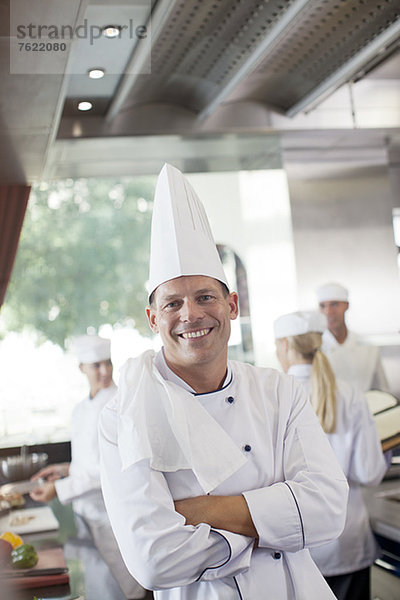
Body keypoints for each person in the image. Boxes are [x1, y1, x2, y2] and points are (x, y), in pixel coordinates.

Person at [98, 163, 349, 600]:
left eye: (205, 297)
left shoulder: (279, 391)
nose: (191, 315)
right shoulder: (124, 415)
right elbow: (154, 561)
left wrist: (203, 511)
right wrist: (277, 523)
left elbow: (328, 510)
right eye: (173, 302)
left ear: (232, 305)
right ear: (153, 318)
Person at [273, 310, 388, 600]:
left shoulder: (271, 397)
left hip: (293, 545)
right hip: (346, 543)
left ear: (284, 345)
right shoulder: (349, 394)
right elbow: (369, 471)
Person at [30, 334, 146, 600]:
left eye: (108, 363)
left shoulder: (121, 402)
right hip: (85, 512)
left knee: (126, 588)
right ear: (82, 368)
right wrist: (65, 469)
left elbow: (112, 468)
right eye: (96, 365)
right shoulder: (81, 409)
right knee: (94, 584)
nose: (105, 371)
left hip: (112, 512)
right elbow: (90, 459)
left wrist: (57, 489)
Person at [316, 282, 389, 392]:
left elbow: (382, 389)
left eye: (334, 304)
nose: (328, 312)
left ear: (346, 305)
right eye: (323, 306)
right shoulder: (315, 348)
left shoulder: (368, 346)